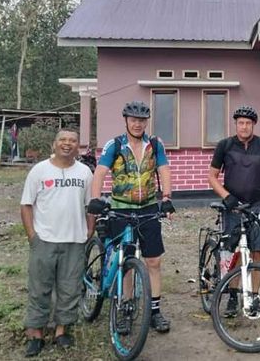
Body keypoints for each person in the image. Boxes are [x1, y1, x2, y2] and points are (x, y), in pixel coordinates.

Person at [91, 100, 173, 333]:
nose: (138, 124)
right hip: (120, 209)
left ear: (146, 122)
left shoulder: (155, 145)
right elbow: (100, 172)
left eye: (142, 120)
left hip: (148, 207)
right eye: (134, 120)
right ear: (126, 120)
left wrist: (166, 198)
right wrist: (96, 199)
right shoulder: (114, 145)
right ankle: (126, 307)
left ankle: (155, 311)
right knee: (126, 261)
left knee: (154, 261)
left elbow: (164, 170)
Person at [20, 129, 93, 357]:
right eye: (63, 140)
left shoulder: (84, 173)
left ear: (77, 146)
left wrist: (89, 229)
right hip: (45, 240)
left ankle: (62, 331)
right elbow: (26, 204)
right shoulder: (40, 170)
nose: (67, 144)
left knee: (69, 289)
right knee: (39, 288)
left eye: (72, 141)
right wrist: (32, 234)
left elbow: (91, 205)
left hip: (74, 240)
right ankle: (36, 334)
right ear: (54, 144)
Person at [207, 105, 260, 316]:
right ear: (235, 124)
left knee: (257, 251)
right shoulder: (225, 145)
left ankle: (254, 296)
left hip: (258, 204)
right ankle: (232, 294)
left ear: (254, 125)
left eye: (248, 123)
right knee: (233, 252)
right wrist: (226, 196)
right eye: (240, 123)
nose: (244, 126)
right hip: (233, 206)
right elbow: (212, 177)